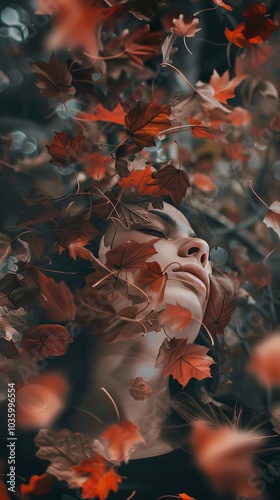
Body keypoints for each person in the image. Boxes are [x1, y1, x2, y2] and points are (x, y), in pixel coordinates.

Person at [72, 201, 213, 460]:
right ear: (82, 263)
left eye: (205, 252)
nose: (202, 248)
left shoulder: (263, 445)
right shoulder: (13, 457)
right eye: (155, 231)